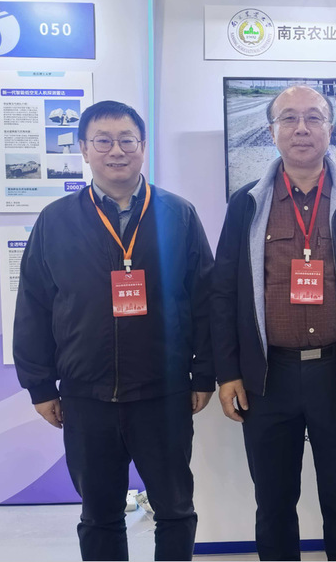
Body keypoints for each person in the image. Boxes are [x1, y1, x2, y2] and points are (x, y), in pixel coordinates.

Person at [13, 101, 215, 561]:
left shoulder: (178, 214)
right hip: (86, 396)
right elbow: (34, 306)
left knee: (175, 510)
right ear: (84, 149)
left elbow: (205, 300)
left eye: (127, 140)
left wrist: (204, 372)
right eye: (103, 141)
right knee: (99, 515)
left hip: (163, 393)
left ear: (143, 147)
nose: (116, 151)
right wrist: (40, 385)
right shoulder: (55, 220)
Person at [212, 85, 336, 561]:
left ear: (330, 128)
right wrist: (228, 372)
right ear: (271, 131)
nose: (301, 128)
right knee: (274, 505)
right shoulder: (246, 203)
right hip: (268, 379)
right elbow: (223, 291)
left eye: (313, 117)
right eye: (288, 119)